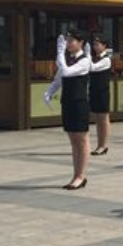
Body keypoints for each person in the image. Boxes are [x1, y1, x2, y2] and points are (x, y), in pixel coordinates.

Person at [44, 30, 92, 190]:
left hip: (79, 103)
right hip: (67, 102)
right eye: (67, 41)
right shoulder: (67, 59)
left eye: (71, 40)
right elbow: (59, 79)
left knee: (81, 139)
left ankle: (81, 176)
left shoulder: (84, 61)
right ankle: (76, 174)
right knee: (73, 140)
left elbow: (66, 72)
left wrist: (59, 53)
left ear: (81, 43)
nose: (68, 44)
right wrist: (49, 92)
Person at [88, 35, 113, 156]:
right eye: (94, 44)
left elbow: (92, 68)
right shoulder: (94, 58)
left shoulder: (106, 59)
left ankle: (104, 145)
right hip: (94, 91)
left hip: (102, 92)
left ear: (104, 46)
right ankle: (99, 144)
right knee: (98, 119)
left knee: (103, 119)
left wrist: (86, 56)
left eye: (97, 44)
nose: (95, 47)